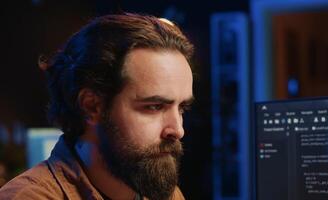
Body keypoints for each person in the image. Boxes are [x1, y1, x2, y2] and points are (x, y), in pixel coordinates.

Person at [0, 12, 194, 200]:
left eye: (181, 108)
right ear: (92, 106)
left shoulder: (161, 193)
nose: (177, 130)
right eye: (154, 107)